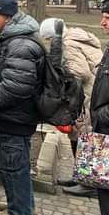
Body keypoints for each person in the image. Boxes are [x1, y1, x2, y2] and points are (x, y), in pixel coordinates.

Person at [0, 0, 44, 215]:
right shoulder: (14, 39)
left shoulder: (20, 44)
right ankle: (22, 204)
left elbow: (17, 86)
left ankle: (20, 214)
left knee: (12, 165)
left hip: (13, 117)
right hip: (12, 117)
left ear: (7, 17)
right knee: (17, 163)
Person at [37, 18, 103, 196]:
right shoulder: (77, 37)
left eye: (49, 40)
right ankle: (79, 176)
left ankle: (89, 183)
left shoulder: (69, 44)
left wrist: (58, 74)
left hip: (88, 96)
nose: (50, 44)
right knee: (80, 136)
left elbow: (79, 72)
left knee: (85, 137)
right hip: (93, 93)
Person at [78, 0, 109, 215]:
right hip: (103, 127)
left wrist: (101, 114)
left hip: (107, 125)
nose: (103, 22)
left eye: (108, 17)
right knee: (103, 184)